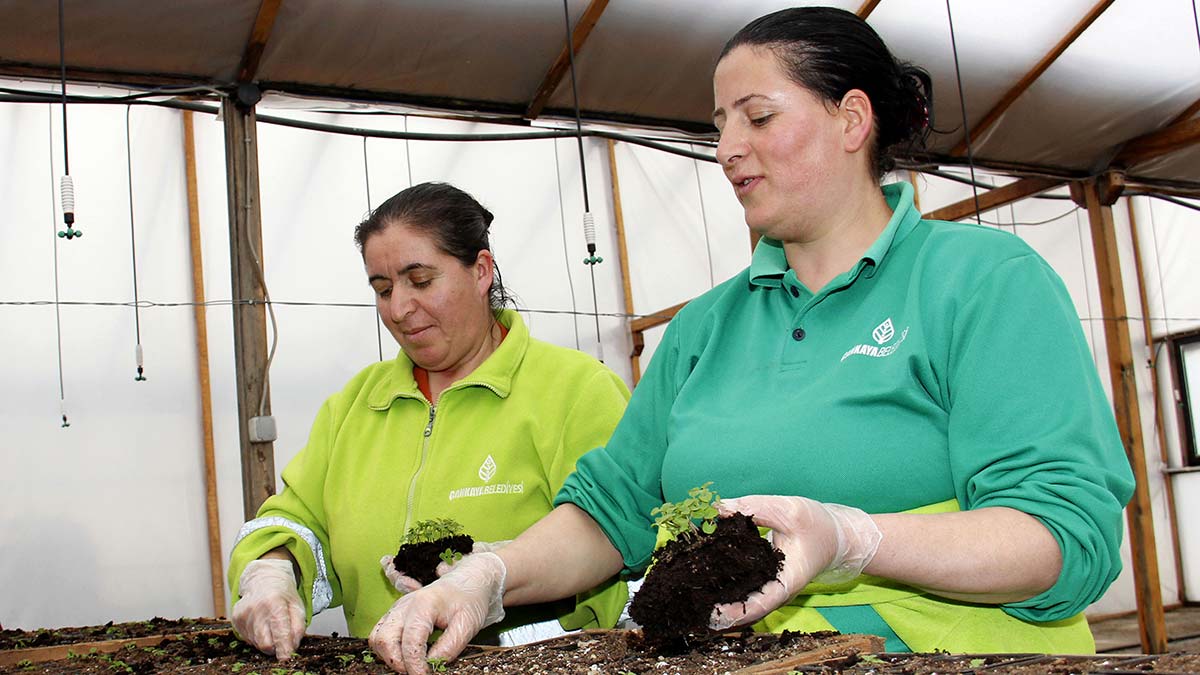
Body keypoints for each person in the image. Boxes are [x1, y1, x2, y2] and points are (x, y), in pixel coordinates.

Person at [367, 8, 1135, 673]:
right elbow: (614, 510)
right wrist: (489, 575)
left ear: (852, 120)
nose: (727, 147)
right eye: (719, 125)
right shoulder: (707, 326)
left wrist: (851, 539)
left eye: (757, 117)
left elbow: (1062, 535)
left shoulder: (981, 280)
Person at [227, 182, 630, 660]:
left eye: (420, 281)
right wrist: (270, 573)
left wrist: (497, 579)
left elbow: (621, 533)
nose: (398, 309)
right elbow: (297, 519)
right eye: (382, 289)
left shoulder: (574, 390)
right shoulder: (358, 404)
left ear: (480, 271)